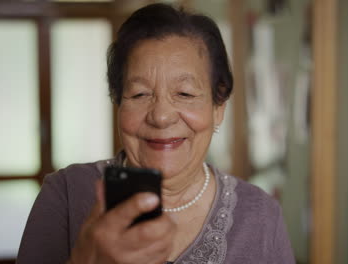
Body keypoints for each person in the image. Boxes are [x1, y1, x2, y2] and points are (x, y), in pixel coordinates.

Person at [17, 3, 295, 264]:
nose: (161, 116)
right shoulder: (66, 194)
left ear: (218, 107)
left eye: (184, 93)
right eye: (139, 94)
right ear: (117, 102)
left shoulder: (262, 215)